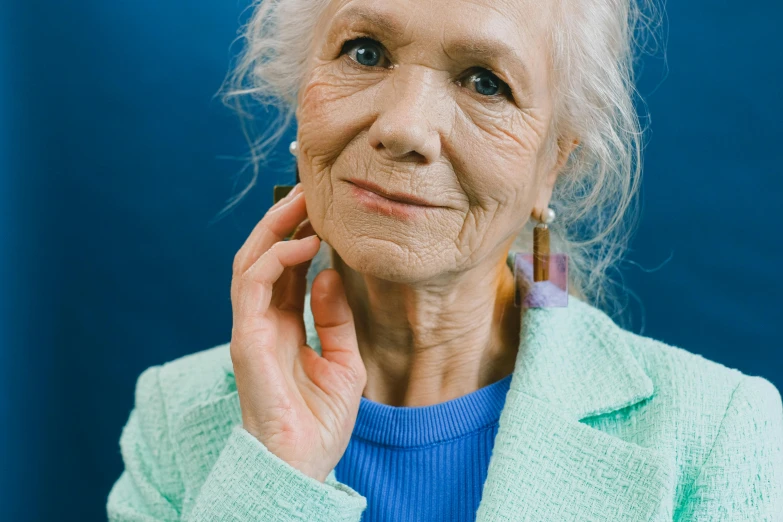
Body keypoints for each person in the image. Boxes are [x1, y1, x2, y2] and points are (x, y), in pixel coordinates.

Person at [106, 0, 783, 520]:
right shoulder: (173, 415)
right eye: (364, 52)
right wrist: (277, 468)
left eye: (484, 82)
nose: (402, 128)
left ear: (553, 165)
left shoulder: (720, 433)